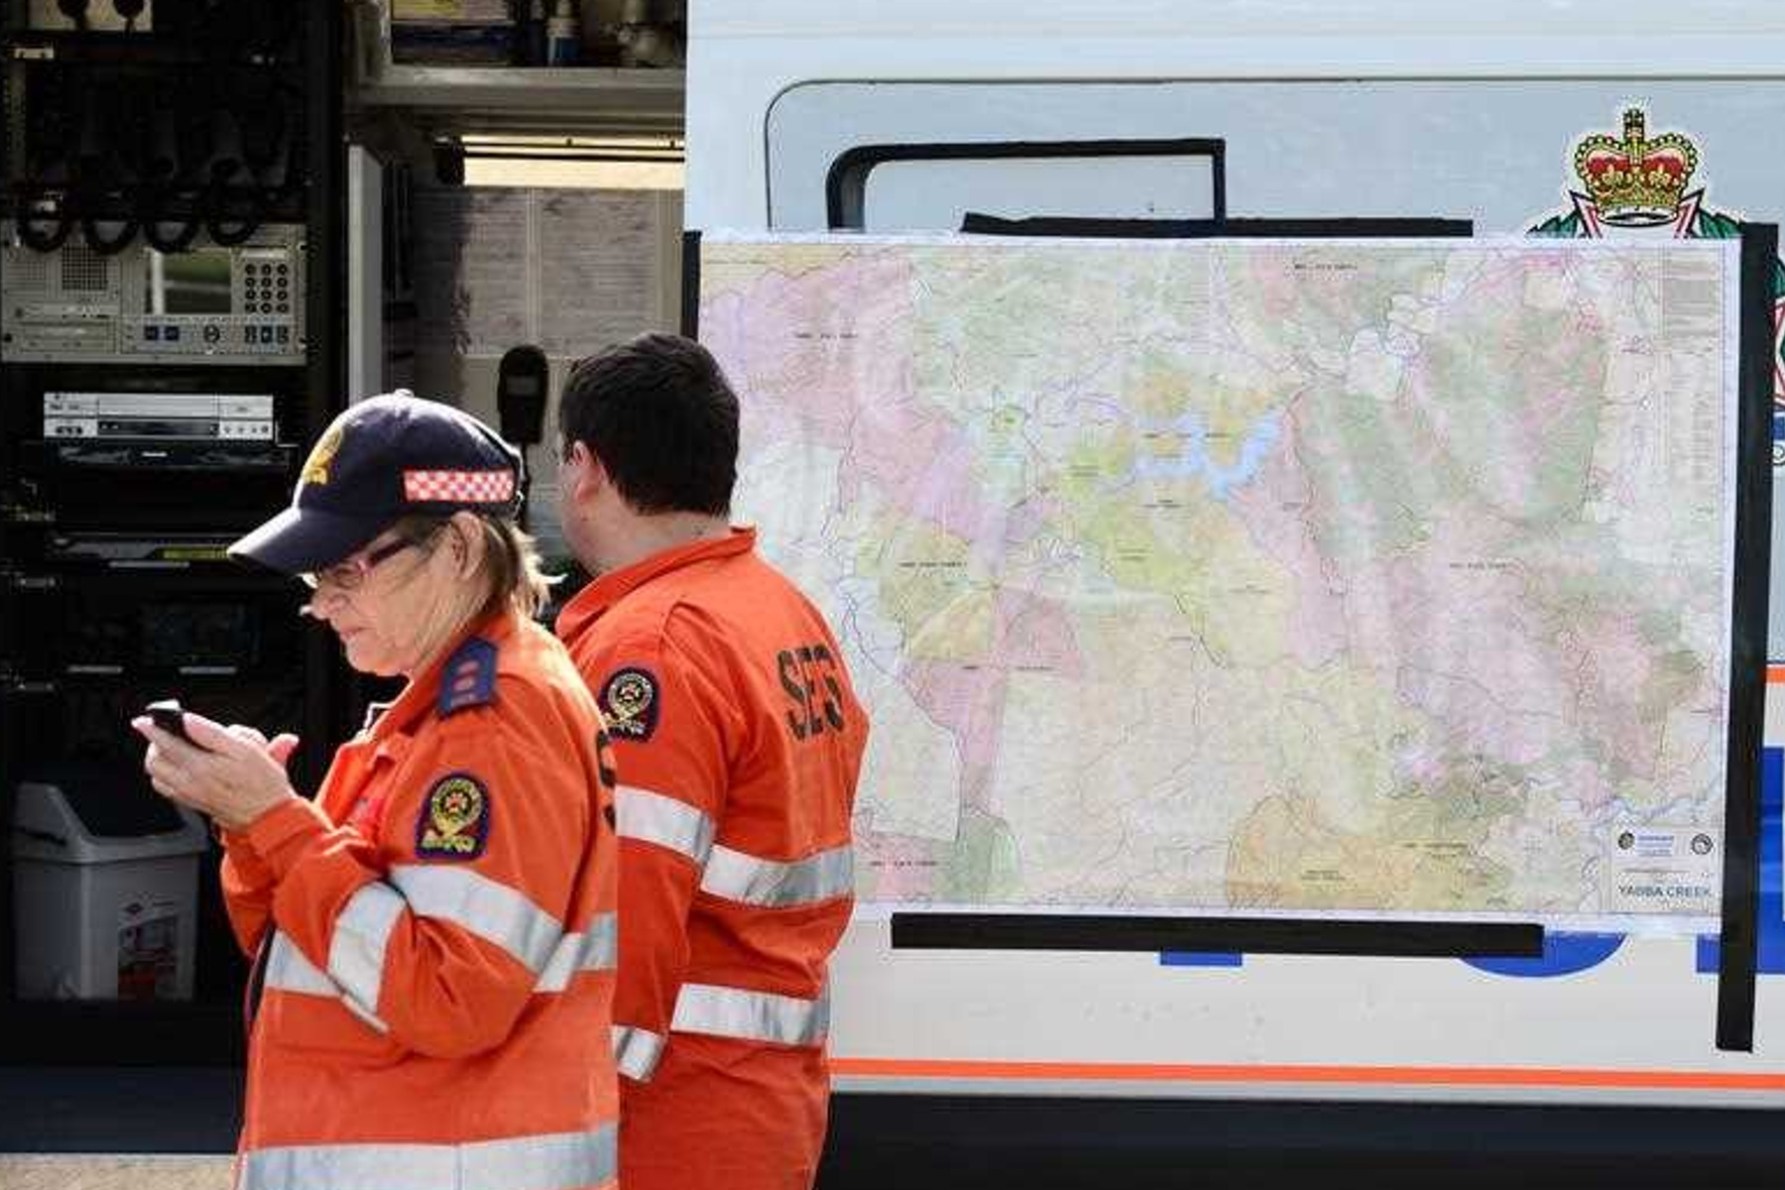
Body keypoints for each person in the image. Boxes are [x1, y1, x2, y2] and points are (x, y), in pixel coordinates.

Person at [135, 392, 621, 1190]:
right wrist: (252, 824)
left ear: (460, 546)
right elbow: (298, 945)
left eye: (343, 571)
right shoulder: (439, 704)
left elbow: (448, 998)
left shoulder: (492, 719)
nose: (319, 605)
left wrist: (277, 820)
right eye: (313, 576)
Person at [553, 333, 868, 1190]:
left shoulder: (651, 647)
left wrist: (564, 1119)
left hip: (659, 1125)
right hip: (757, 1106)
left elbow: (629, 913)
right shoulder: (777, 611)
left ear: (585, 466)